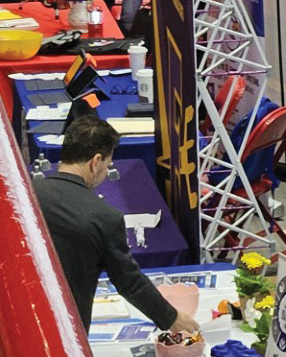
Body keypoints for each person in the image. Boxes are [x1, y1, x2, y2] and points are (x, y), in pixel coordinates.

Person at [36, 115, 199, 334]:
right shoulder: (105, 217)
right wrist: (172, 318)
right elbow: (129, 282)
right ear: (95, 162)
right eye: (107, 166)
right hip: (65, 330)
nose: (105, 174)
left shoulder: (28, 195)